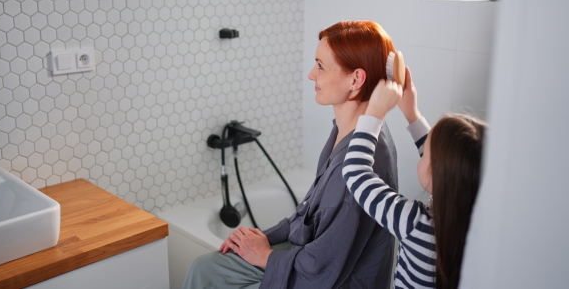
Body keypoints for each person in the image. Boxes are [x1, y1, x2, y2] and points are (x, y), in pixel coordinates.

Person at [182, 20, 399, 288]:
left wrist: (265, 255)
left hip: (332, 279)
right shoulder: (346, 131)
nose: (311, 74)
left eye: (320, 66)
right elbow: (309, 215)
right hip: (309, 259)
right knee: (204, 268)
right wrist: (261, 237)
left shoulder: (360, 161)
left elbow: (325, 267)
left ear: (355, 79)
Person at [342, 69, 487, 289]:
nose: (422, 152)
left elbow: (355, 172)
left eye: (425, 154)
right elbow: (446, 162)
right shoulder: (481, 225)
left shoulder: (415, 224)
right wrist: (411, 111)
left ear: (436, 174)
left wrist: (374, 113)